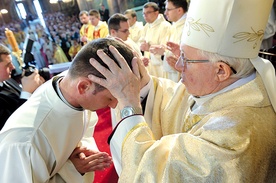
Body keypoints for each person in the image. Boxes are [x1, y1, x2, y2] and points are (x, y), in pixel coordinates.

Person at [88, 0, 276, 182]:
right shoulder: (232, 87)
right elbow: (179, 101)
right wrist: (143, 82)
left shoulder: (236, 137)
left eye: (186, 59)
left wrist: (129, 106)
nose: (178, 64)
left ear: (220, 70)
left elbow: (152, 173)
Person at [0, 38, 135, 182]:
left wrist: (81, 150)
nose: (114, 105)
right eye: (110, 98)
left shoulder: (71, 83)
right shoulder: (24, 142)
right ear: (83, 87)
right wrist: (71, 170)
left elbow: (82, 129)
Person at [0, 43, 45, 130]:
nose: (13, 67)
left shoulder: (7, 79)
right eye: (7, 65)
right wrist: (26, 92)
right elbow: (11, 127)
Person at [151, 0, 188, 82]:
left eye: (168, 9)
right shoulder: (175, 26)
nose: (165, 13)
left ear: (179, 10)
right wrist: (162, 52)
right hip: (171, 74)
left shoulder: (187, 27)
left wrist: (165, 52)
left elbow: (188, 55)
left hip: (182, 76)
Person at [139, 2, 171, 78]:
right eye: (143, 13)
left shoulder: (165, 26)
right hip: (150, 65)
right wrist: (142, 47)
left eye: (148, 12)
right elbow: (142, 42)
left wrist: (149, 47)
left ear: (156, 13)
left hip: (161, 66)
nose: (145, 16)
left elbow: (165, 48)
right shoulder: (147, 26)